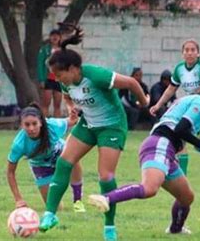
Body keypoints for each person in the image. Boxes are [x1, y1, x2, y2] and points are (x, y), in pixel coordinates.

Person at [38, 25, 149, 241]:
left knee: (105, 176)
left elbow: (132, 82)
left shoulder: (96, 76)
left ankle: (109, 227)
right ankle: (50, 215)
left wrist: (143, 102)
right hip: (88, 125)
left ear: (73, 69)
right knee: (63, 162)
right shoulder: (66, 83)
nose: (57, 79)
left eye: (59, 74)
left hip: (111, 127)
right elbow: (69, 98)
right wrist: (72, 110)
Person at [87, 86, 200, 235]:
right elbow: (180, 129)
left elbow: (181, 128)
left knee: (186, 197)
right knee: (149, 188)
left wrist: (197, 143)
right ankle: (106, 198)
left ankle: (176, 229)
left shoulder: (198, 102)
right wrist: (199, 144)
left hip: (167, 149)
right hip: (161, 144)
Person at [149, 39, 200, 176]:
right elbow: (171, 89)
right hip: (188, 107)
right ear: (182, 53)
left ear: (198, 53)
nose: (189, 53)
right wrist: (158, 105)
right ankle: (182, 175)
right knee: (181, 139)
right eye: (187, 50)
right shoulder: (179, 68)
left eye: (193, 50)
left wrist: (189, 98)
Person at [6, 103, 86, 213]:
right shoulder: (19, 144)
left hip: (60, 154)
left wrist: (74, 115)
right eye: (27, 125)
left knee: (73, 156)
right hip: (41, 166)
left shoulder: (51, 126)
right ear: (21, 125)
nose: (31, 128)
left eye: (34, 124)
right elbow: (10, 172)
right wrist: (18, 199)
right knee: (55, 208)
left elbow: (71, 121)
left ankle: (77, 200)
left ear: (41, 123)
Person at [37, 29, 63, 117]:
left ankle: (57, 127)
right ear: (50, 37)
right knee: (45, 103)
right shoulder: (45, 49)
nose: (55, 37)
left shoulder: (63, 50)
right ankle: (45, 125)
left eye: (57, 35)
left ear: (60, 37)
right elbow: (40, 64)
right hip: (48, 79)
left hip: (59, 80)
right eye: (53, 35)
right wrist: (41, 79)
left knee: (57, 104)